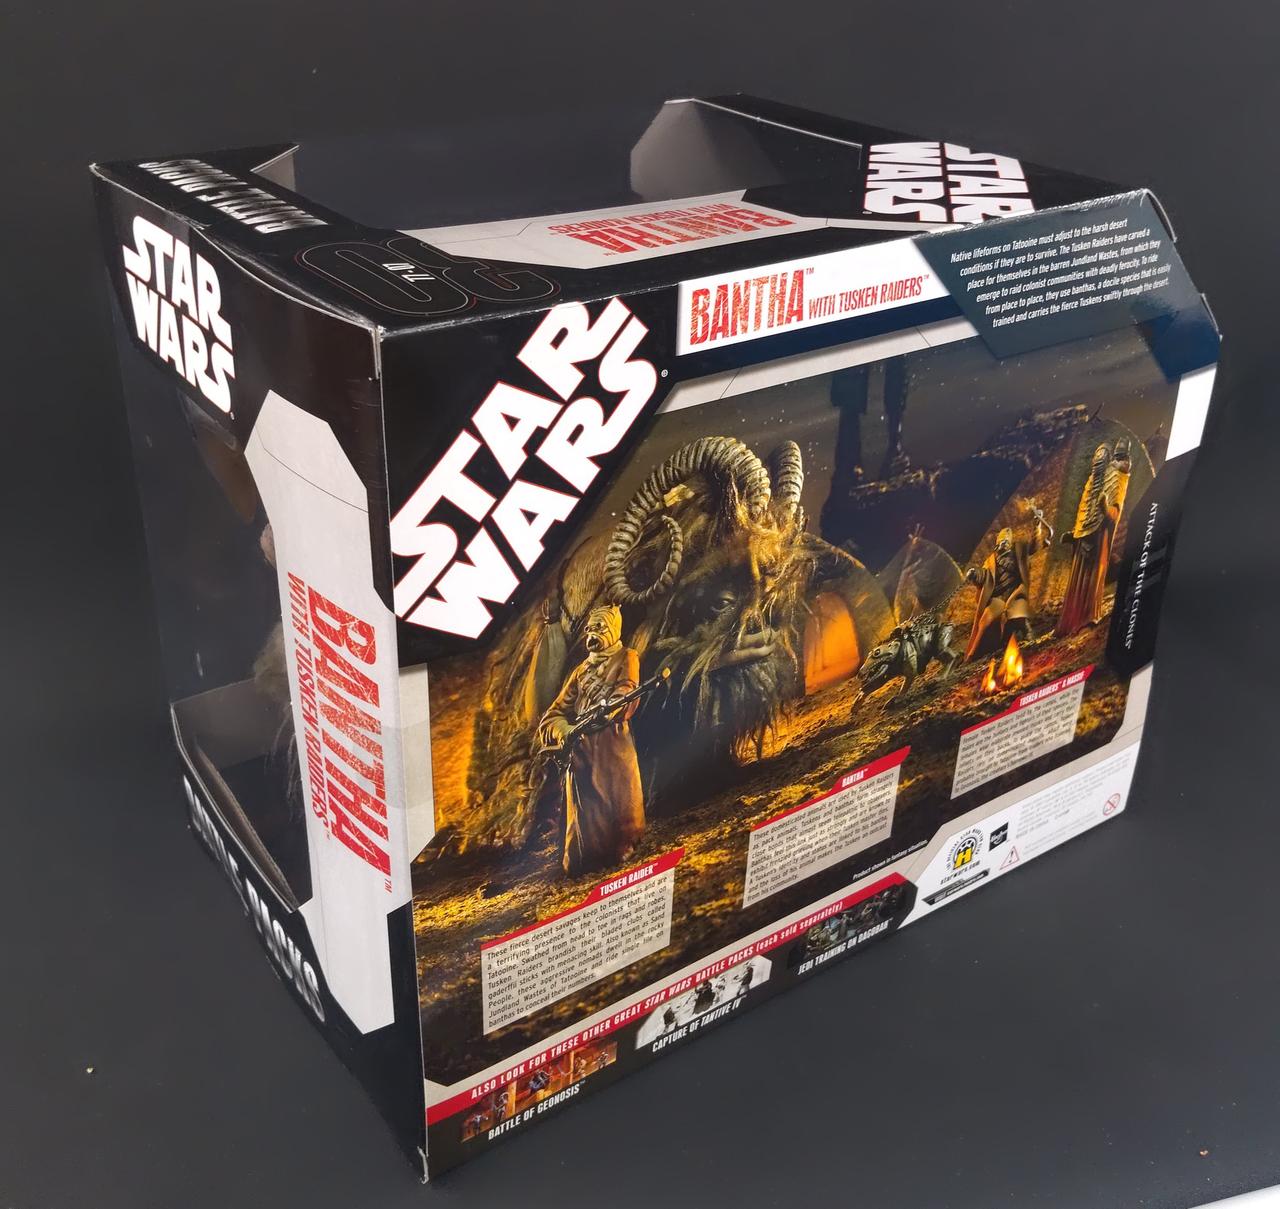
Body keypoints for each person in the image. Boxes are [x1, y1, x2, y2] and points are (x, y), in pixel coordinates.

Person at [537, 605, 645, 875]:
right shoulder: (581, 671)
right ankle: (583, 861)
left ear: (613, 629)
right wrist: (565, 731)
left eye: (599, 627)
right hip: (581, 749)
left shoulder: (627, 656)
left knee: (620, 813)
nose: (591, 634)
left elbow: (627, 690)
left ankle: (624, 850)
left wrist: (609, 708)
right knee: (585, 820)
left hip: (613, 746)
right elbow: (555, 713)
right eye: (589, 629)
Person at [1055, 439, 1129, 636]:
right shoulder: (1090, 482)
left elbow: (1115, 512)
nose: (1098, 460)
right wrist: (1074, 534)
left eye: (1102, 457)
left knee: (1092, 577)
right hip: (1082, 539)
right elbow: (1084, 512)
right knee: (1076, 579)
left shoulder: (1116, 477)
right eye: (1096, 457)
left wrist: (1105, 507)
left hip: (1099, 536)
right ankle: (1069, 623)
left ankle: (1088, 619)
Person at [963, 511, 1052, 660]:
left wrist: (1037, 527)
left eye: (1006, 541)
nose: (1004, 543)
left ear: (1010, 542)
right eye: (1001, 541)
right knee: (985, 620)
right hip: (998, 598)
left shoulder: (1018, 552)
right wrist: (974, 574)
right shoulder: (991, 561)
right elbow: (983, 576)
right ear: (997, 544)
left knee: (1019, 614)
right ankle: (975, 652)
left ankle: (1028, 634)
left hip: (1015, 592)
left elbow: (1034, 546)